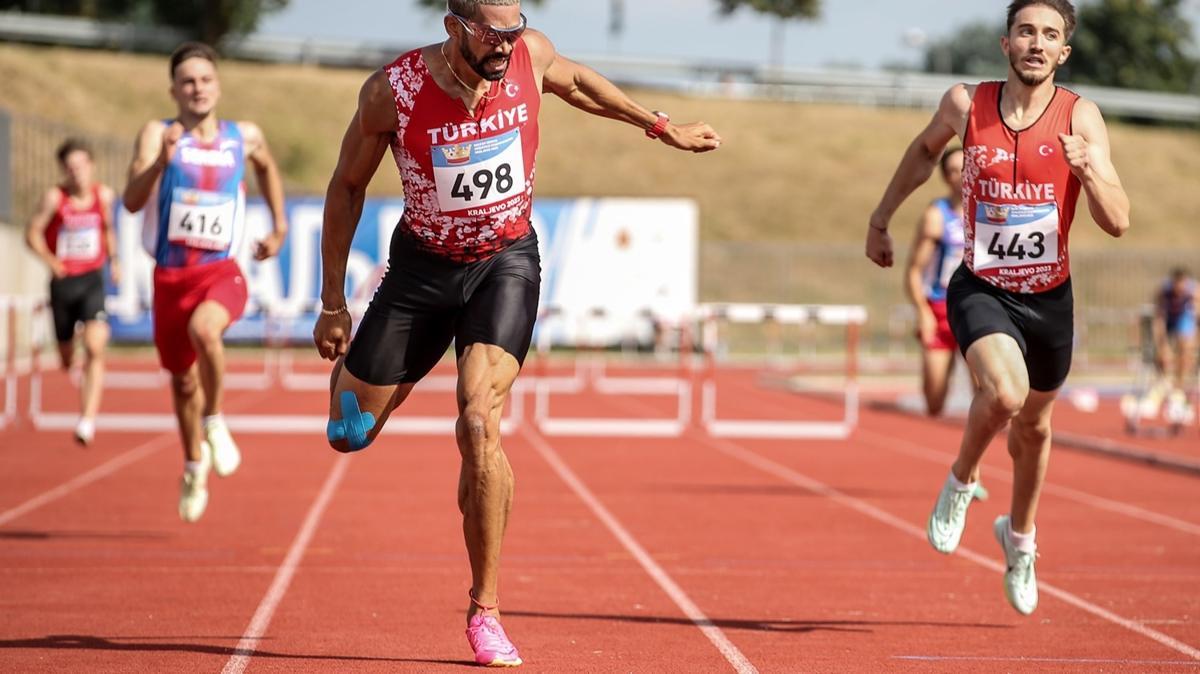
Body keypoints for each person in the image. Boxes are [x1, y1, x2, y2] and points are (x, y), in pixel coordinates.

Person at [312, 0, 720, 666]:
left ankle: (486, 610)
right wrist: (333, 302)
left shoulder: (530, 58)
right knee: (348, 433)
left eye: (515, 29)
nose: (506, 44)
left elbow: (582, 84)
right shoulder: (395, 91)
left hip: (505, 263)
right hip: (421, 272)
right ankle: (382, 382)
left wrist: (660, 127)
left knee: (479, 423)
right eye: (491, 33)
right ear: (453, 27)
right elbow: (346, 185)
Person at [865, 0, 1130, 616]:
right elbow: (923, 151)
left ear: (1064, 53)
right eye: (1026, 31)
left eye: (1050, 36)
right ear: (1005, 43)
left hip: (1049, 300)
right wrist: (881, 218)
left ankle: (1020, 539)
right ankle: (960, 480)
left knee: (1035, 430)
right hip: (982, 286)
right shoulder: (966, 104)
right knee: (1005, 396)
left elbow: (1117, 221)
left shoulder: (1081, 117)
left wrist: (1089, 169)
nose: (1036, 43)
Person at [123, 42, 289, 523]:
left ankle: (215, 420)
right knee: (181, 381)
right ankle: (194, 464)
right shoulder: (158, 134)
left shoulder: (245, 136)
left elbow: (267, 168)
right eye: (188, 81)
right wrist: (159, 164)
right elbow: (132, 202)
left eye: (205, 80)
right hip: (170, 277)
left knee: (206, 331)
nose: (198, 88)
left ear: (218, 85)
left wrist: (279, 227)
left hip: (221, 272)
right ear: (173, 89)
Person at [24, 139, 120, 446]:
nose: (76, 172)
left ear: (91, 165)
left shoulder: (103, 195)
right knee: (66, 358)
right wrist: (51, 261)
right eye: (70, 167)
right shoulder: (55, 198)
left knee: (96, 346)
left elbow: (108, 230)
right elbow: (32, 233)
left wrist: (114, 260)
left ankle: (87, 420)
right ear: (64, 170)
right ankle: (70, 350)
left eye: (81, 165)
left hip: (92, 278)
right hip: (64, 282)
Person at [904, 148, 966, 417]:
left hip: (978, 309)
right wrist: (923, 312)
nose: (961, 176)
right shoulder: (936, 216)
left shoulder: (993, 213)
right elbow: (913, 272)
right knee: (934, 400)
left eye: (965, 167)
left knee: (990, 394)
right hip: (941, 309)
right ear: (945, 177)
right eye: (953, 171)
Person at [1150, 267, 1196, 419]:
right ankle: (1164, 385)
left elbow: (1194, 321)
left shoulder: (1193, 292)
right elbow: (1159, 320)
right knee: (1160, 354)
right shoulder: (1164, 293)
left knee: (1185, 350)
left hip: (1183, 318)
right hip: (1168, 319)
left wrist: (1191, 346)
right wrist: (1162, 346)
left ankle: (1179, 388)